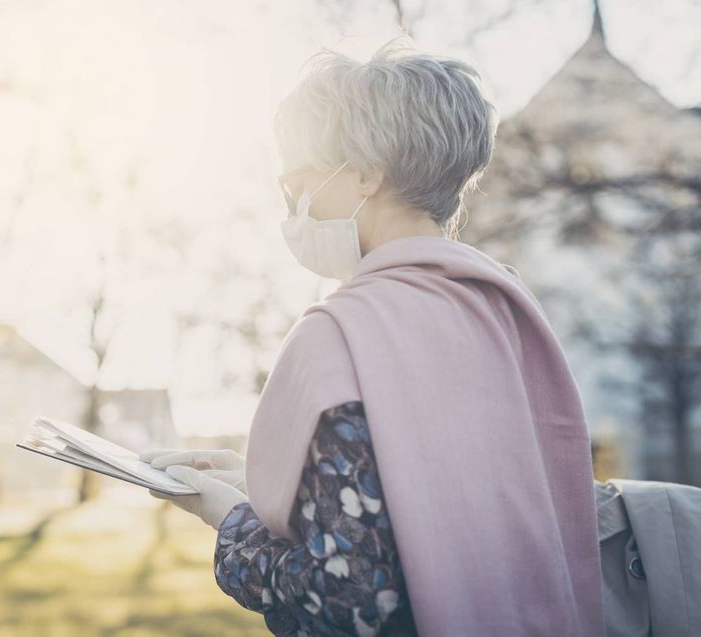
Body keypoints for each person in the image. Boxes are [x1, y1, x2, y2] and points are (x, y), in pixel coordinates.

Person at [143, 34, 606, 636]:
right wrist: (266, 485)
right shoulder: (508, 310)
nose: (293, 207)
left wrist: (230, 520)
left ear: (364, 173)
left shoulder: (341, 332)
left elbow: (348, 599)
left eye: (297, 184)